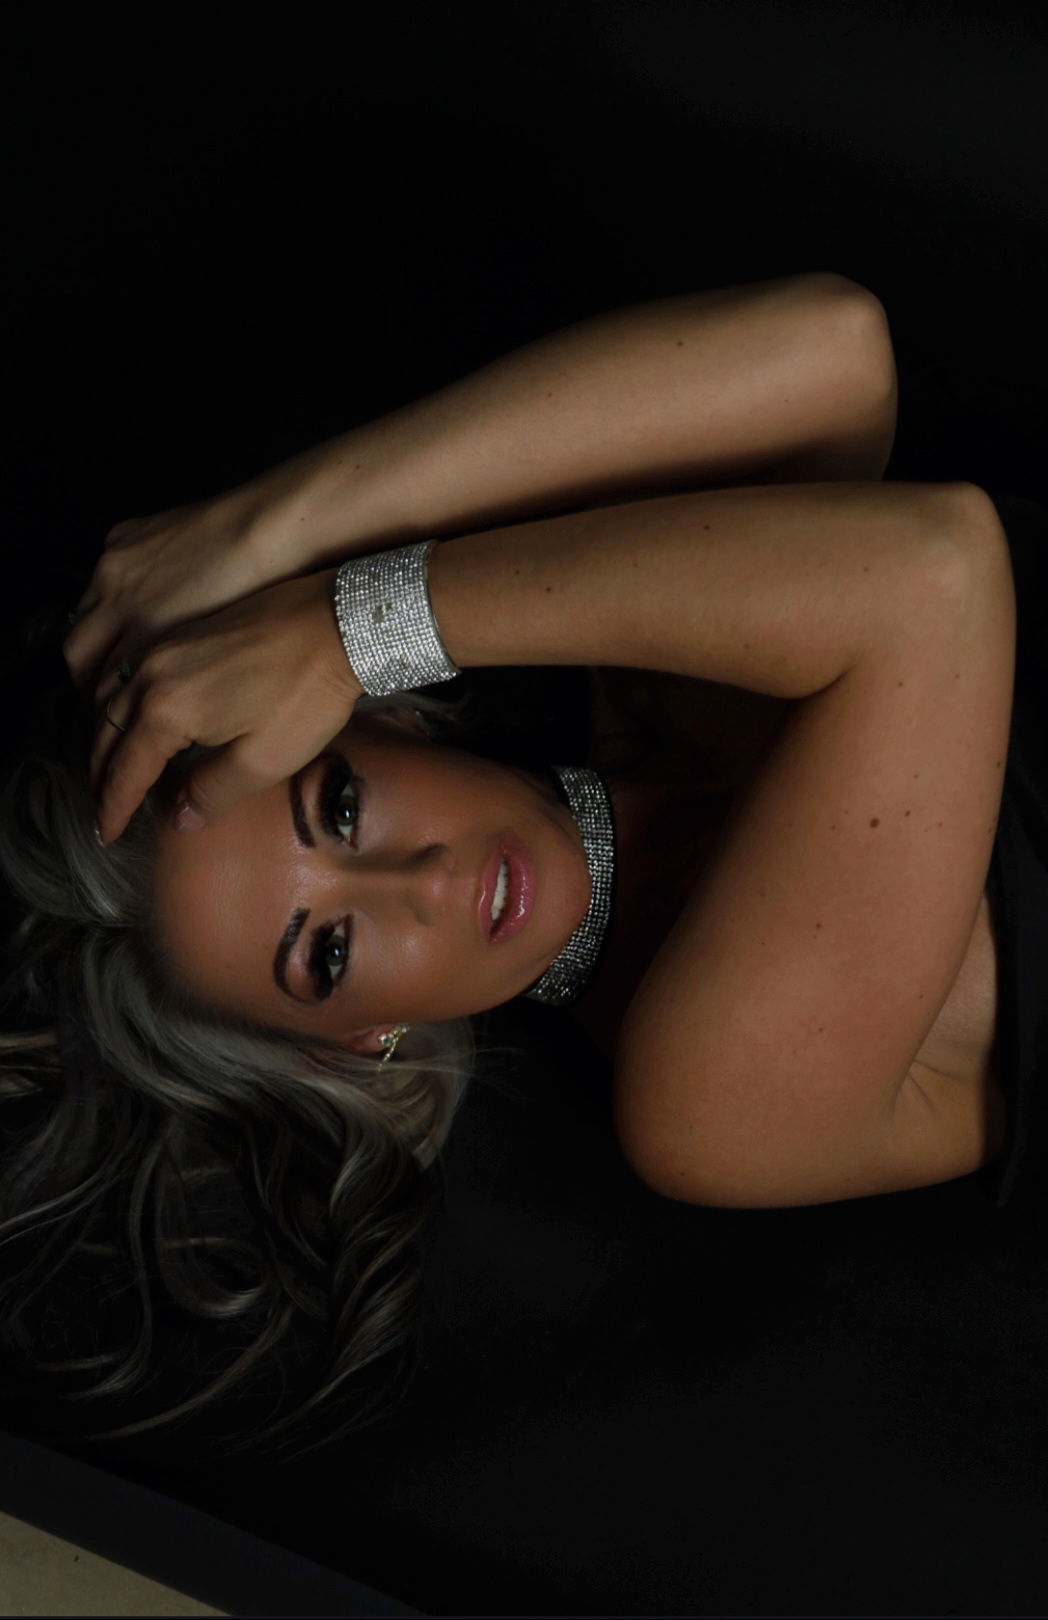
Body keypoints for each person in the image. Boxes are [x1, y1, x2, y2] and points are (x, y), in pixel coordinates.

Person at [0, 271, 1020, 1454]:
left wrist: (269, 534)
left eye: (342, 807)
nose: (424, 883)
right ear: (356, 1042)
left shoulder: (656, 651)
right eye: (327, 954)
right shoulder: (703, 1101)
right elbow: (932, 576)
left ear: (381, 718)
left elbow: (830, 354)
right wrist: (344, 626)